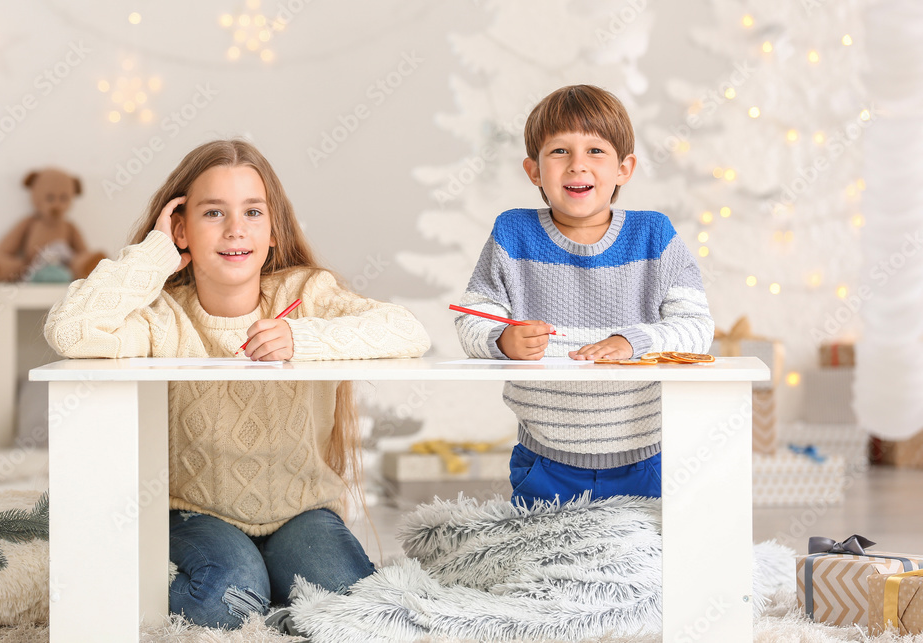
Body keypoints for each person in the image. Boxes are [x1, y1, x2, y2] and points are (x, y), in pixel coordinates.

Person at [44, 139, 431, 631]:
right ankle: (243, 585)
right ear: (181, 229)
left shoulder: (306, 294)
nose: (235, 230)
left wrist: (301, 338)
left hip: (301, 508)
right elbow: (69, 329)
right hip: (195, 510)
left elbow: (407, 331)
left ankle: (271, 585)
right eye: (212, 214)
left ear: (273, 232)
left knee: (355, 604)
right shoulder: (163, 318)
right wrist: (151, 257)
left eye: (253, 212)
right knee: (226, 597)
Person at [454, 85, 714, 506]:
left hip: (646, 459)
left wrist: (633, 342)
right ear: (534, 170)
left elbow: (696, 328)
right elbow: (470, 318)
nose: (578, 166)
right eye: (559, 152)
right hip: (544, 460)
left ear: (624, 168)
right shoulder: (512, 233)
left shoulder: (654, 235)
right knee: (544, 567)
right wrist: (502, 339)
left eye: (596, 151)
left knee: (644, 567)